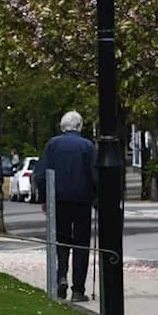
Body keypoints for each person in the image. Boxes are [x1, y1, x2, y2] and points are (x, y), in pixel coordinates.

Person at [34, 111, 96, 302]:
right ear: (79, 126)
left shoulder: (52, 145)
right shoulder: (87, 146)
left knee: (61, 240)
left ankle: (61, 276)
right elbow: (95, 174)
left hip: (58, 200)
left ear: (62, 126)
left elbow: (40, 174)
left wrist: (44, 198)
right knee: (81, 243)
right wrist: (96, 197)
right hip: (81, 200)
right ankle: (78, 289)